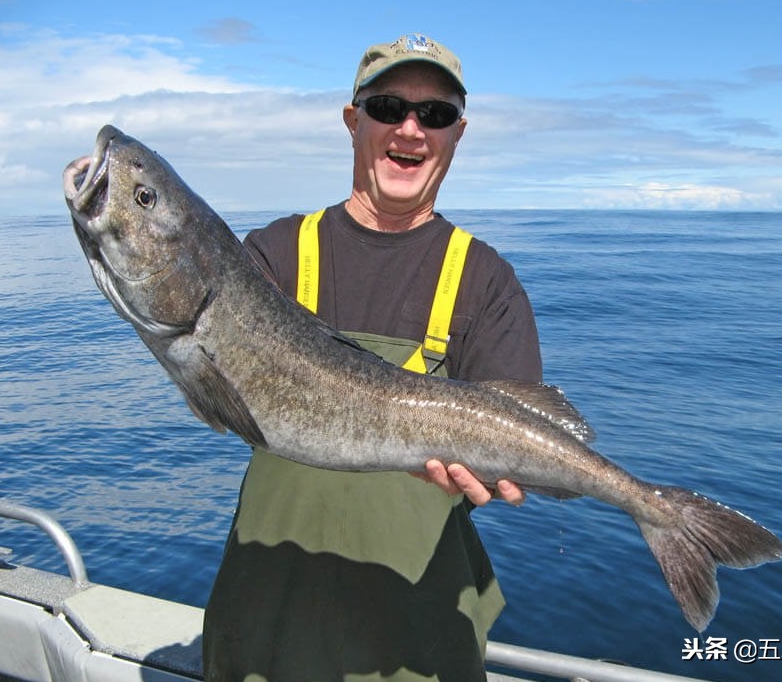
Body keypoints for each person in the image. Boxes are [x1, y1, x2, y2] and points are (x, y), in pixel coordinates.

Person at [202, 33, 542, 682]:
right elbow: (211, 383)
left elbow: (514, 445)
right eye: (388, 107)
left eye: (434, 114)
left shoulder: (485, 279)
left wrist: (496, 481)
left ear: (457, 134)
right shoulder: (271, 254)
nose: (411, 129)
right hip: (263, 621)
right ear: (353, 121)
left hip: (418, 638)